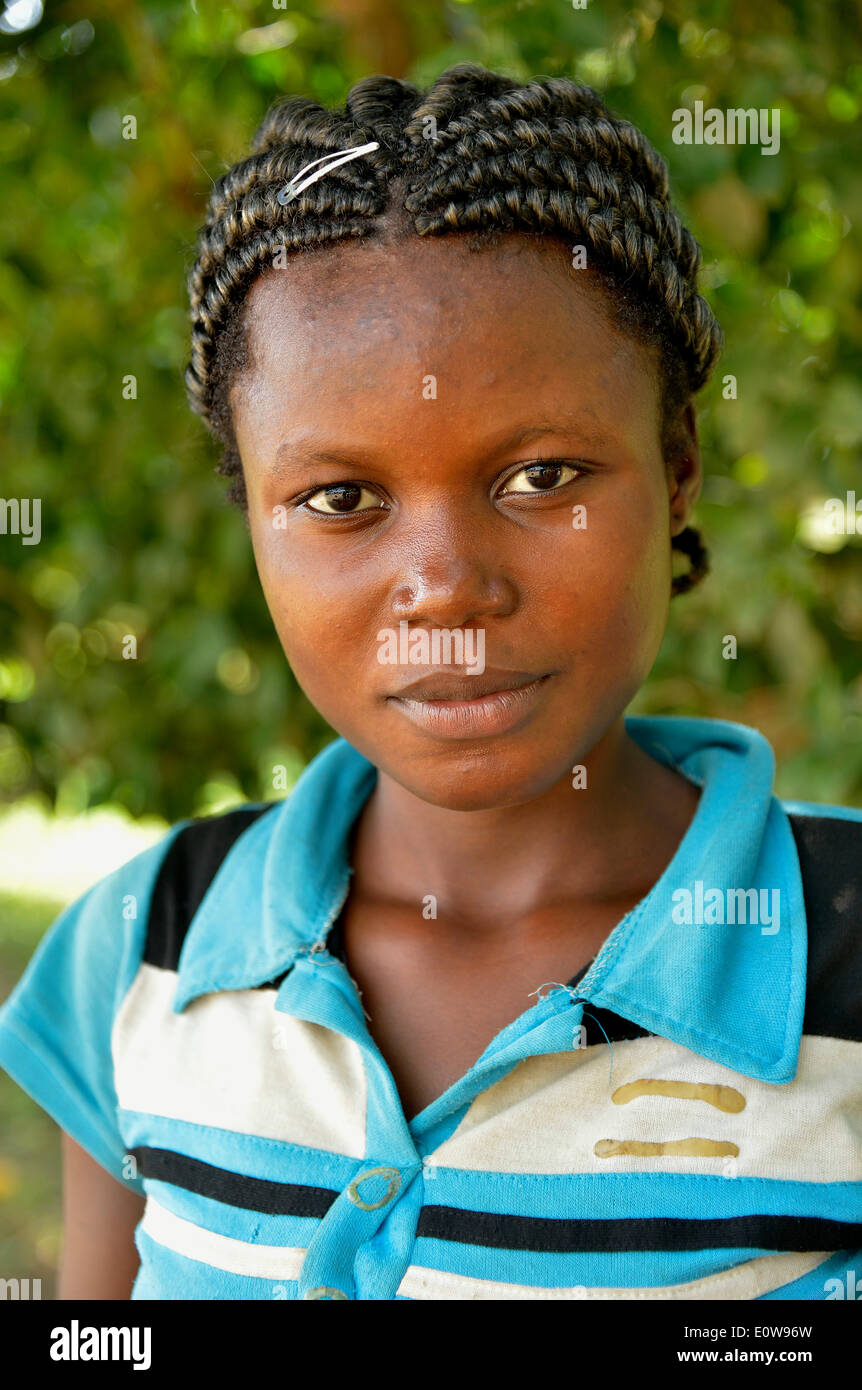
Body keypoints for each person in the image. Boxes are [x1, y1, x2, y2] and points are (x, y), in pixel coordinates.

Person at [1, 64, 859, 1301]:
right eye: (341, 499)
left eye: (543, 476)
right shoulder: (143, 948)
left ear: (676, 472)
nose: (445, 587)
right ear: (250, 514)